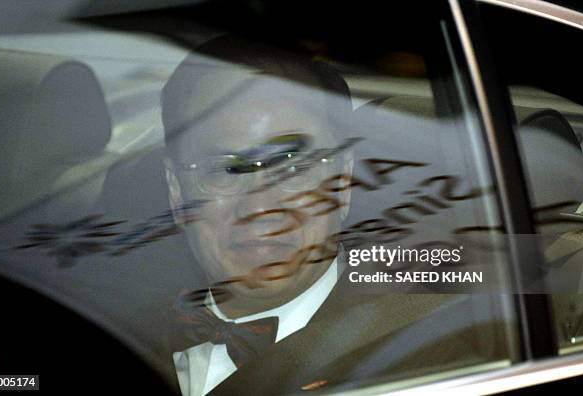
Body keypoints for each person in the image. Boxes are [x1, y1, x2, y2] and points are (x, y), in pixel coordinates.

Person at [161, 35, 502, 396]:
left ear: (341, 184)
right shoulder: (124, 329)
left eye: (293, 168)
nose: (259, 207)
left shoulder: (429, 356)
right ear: (177, 192)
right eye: (225, 170)